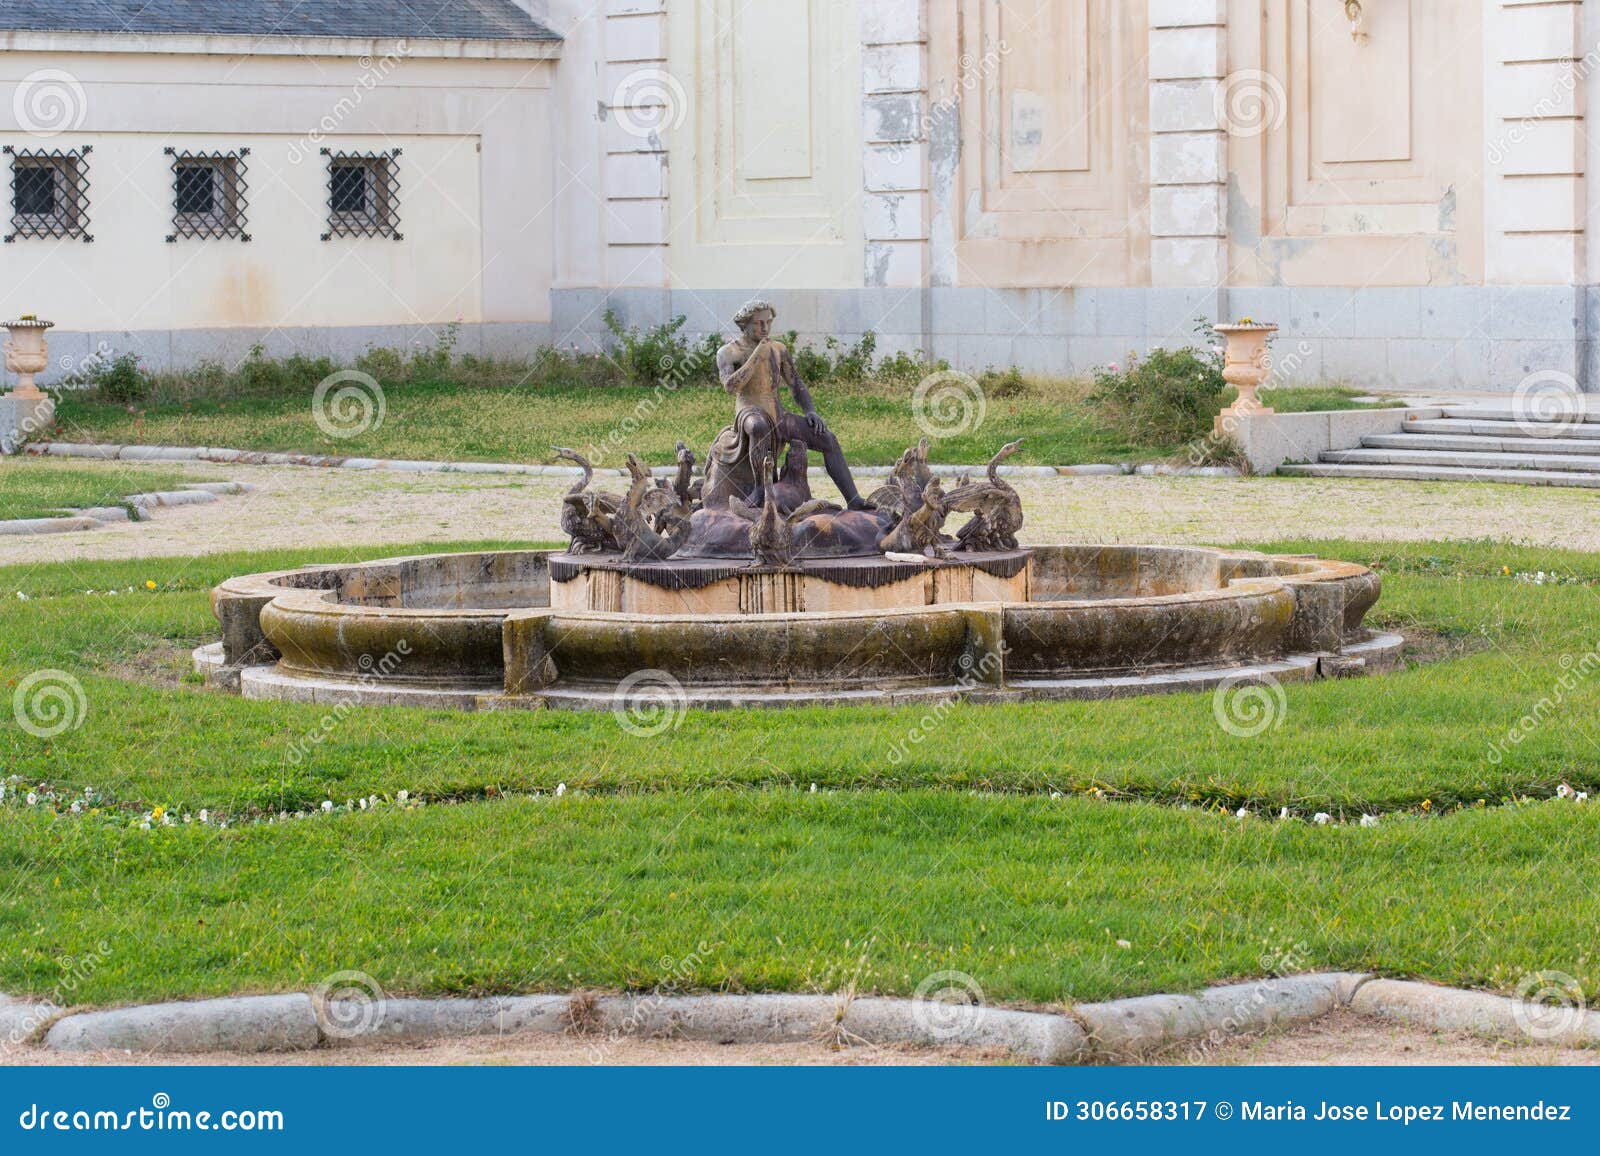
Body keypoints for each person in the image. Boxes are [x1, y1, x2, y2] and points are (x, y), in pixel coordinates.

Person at [711, 299, 872, 511]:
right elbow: (731, 386)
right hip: (749, 412)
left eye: (769, 322)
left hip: (777, 414)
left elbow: (795, 383)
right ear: (745, 324)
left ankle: (854, 500)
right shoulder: (729, 352)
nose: (765, 328)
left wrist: (810, 410)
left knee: (827, 439)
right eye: (759, 323)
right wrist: (757, 355)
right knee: (758, 426)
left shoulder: (778, 349)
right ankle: (761, 488)